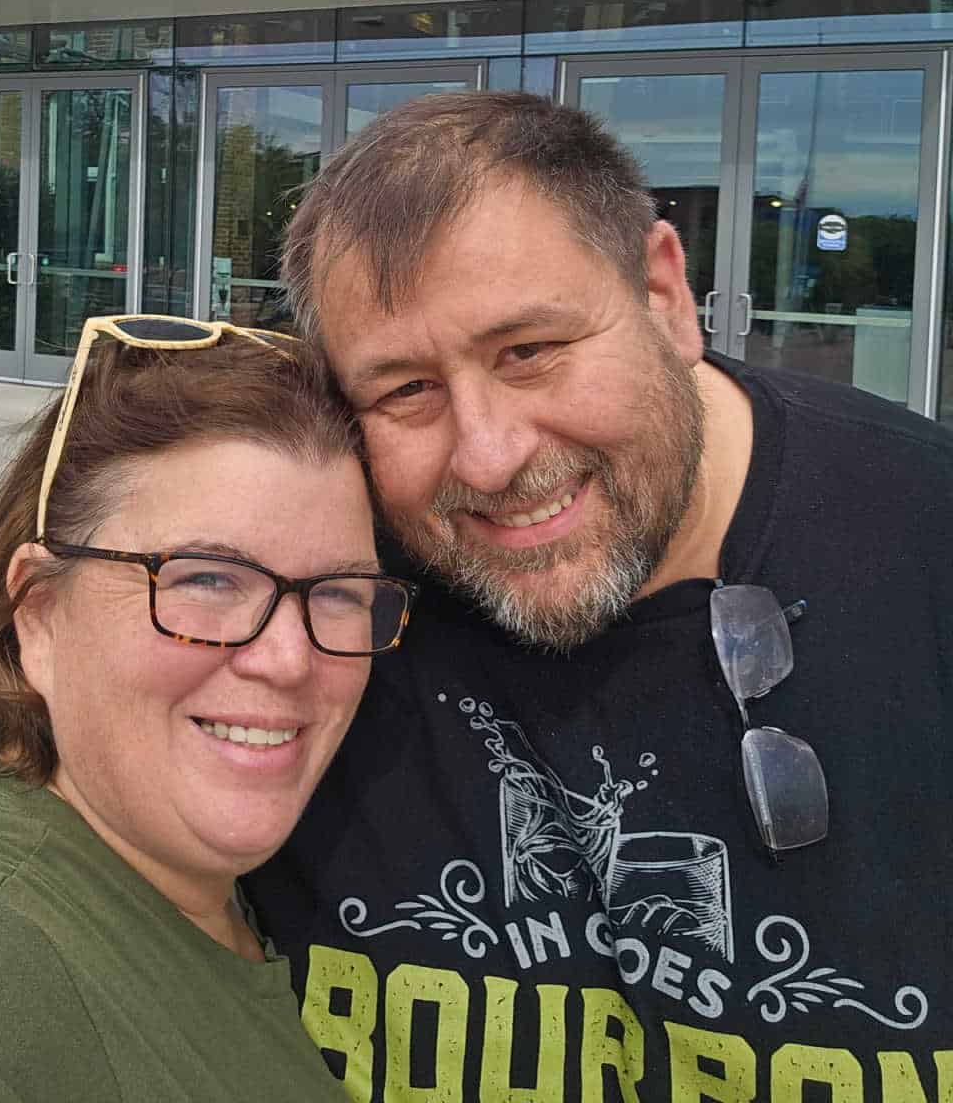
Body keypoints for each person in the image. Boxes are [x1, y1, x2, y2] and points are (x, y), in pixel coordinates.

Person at [245, 92, 953, 1101]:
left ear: (667, 295)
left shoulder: (927, 547)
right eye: (404, 391)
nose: (488, 457)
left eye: (528, 350)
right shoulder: (312, 592)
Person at [0, 316, 417, 1102]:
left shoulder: (195, 872)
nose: (288, 660)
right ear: (38, 613)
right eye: (204, 580)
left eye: (337, 593)